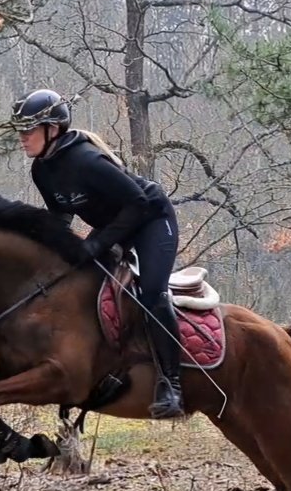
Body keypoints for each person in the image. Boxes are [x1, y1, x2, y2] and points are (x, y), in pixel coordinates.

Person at [10, 88, 185, 419]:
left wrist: (97, 244)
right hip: (115, 225)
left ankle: (171, 386)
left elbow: (138, 203)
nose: (22, 138)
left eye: (28, 130)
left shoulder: (87, 160)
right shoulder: (41, 170)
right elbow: (61, 216)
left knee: (151, 295)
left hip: (151, 219)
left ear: (52, 129)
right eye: (19, 130)